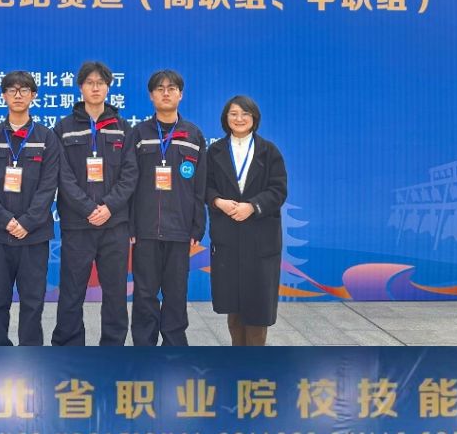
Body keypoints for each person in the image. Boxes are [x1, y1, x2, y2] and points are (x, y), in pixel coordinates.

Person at [52, 61, 137, 347]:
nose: (96, 87)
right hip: (78, 224)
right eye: (90, 82)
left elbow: (130, 174)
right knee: (72, 290)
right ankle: (68, 347)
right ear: (81, 87)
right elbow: (62, 175)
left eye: (101, 83)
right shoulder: (64, 128)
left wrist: (109, 207)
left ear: (108, 88)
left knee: (115, 292)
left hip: (115, 224)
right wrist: (88, 208)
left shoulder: (123, 128)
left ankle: (112, 348)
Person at [0, 69, 60, 347]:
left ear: (33, 96)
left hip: (34, 236)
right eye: (11, 90)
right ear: (3, 96)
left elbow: (49, 185)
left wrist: (27, 222)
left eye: (24, 90)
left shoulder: (46, 137)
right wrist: (5, 220)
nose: (18, 95)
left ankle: (31, 354)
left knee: (33, 300)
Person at [129, 69, 207, 347]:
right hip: (146, 229)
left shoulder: (193, 135)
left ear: (180, 95)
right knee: (145, 293)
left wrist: (197, 226)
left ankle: (174, 348)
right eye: (160, 89)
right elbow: (129, 182)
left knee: (176, 293)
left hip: (180, 229)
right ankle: (144, 346)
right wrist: (131, 225)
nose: (166, 93)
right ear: (151, 96)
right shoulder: (139, 133)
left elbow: (200, 185)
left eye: (171, 88)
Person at [206, 94, 287, 345]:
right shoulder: (215, 151)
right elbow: (204, 186)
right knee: (233, 306)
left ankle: (255, 361)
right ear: (225, 118)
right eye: (233, 114)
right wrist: (218, 201)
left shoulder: (269, 151)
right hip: (228, 236)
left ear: (254, 118)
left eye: (245, 114)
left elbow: (278, 190)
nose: (239, 119)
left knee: (257, 309)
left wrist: (253, 206)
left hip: (260, 237)